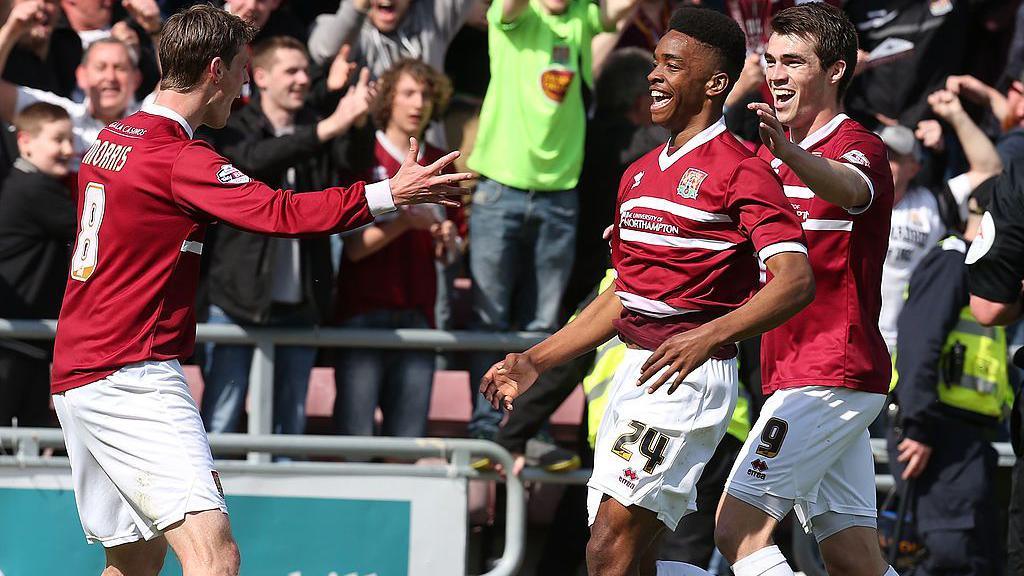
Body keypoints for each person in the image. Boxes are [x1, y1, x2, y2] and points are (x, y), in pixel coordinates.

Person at [49, 5, 470, 573]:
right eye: (245, 70)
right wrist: (389, 195)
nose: (246, 84)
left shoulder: (111, 137)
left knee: (135, 563)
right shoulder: (178, 158)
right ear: (216, 70)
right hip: (133, 372)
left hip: (80, 371)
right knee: (216, 558)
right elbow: (280, 212)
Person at [481, 7, 815, 575]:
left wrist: (706, 337)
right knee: (626, 557)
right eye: (655, 63)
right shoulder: (636, 173)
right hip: (635, 377)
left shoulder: (743, 170)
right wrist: (537, 360)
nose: (654, 75)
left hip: (685, 380)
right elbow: (622, 295)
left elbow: (796, 280)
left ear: (714, 84)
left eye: (672, 65)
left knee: (608, 550)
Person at [714, 5, 899, 576]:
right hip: (795, 372)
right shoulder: (768, 158)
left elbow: (850, 189)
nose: (777, 75)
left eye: (794, 62)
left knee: (738, 529)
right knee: (851, 558)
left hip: (830, 372)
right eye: (770, 61)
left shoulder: (858, 145)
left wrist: (793, 155)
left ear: (837, 70)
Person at [465, 0, 636, 449]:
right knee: (491, 316)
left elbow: (619, 11)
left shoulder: (580, 13)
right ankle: (486, 423)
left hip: (561, 192)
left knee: (545, 321)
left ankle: (524, 422)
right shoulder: (515, 10)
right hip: (500, 188)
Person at [200, 35, 375, 437]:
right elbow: (254, 161)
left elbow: (353, 165)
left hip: (300, 306)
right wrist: (331, 125)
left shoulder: (318, 124)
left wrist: (359, 119)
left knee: (289, 425)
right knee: (218, 422)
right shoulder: (233, 126)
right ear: (260, 76)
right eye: (291, 71)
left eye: (304, 71)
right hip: (237, 303)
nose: (302, 80)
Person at [332, 58, 462, 439]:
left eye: (425, 93)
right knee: (353, 440)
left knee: (405, 442)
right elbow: (352, 249)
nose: (418, 103)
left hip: (419, 314)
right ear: (388, 99)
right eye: (408, 93)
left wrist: (448, 242)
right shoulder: (362, 156)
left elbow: (454, 250)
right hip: (362, 311)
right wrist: (405, 220)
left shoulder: (443, 160)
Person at [889, 181, 1010, 576]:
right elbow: (919, 345)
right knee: (949, 552)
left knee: (978, 555)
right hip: (938, 432)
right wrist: (918, 427)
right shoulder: (953, 262)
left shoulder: (981, 272)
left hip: (969, 435)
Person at [0, 102, 76, 429]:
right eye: (58, 139)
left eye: (70, 139)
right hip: (13, 338)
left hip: (24, 339)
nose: (68, 149)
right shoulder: (34, 189)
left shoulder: (27, 185)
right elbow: (93, 227)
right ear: (25, 141)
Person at [0, 4, 141, 171]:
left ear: (137, 78)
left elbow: (177, 77)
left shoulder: (154, 118)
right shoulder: (61, 116)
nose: (110, 78)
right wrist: (12, 30)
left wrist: (155, 29)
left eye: (120, 68)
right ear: (81, 76)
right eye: (100, 67)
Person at [877, 125, 944, 353]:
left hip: (907, 342)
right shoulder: (848, 196)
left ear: (914, 168)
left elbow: (987, 169)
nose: (884, 162)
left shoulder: (932, 207)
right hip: (854, 338)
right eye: (880, 153)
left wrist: (956, 116)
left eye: (894, 158)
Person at [306, 0, 478, 77]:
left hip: (426, 148)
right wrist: (357, 7)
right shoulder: (342, 29)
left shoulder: (431, 21)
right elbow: (327, 51)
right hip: (365, 147)